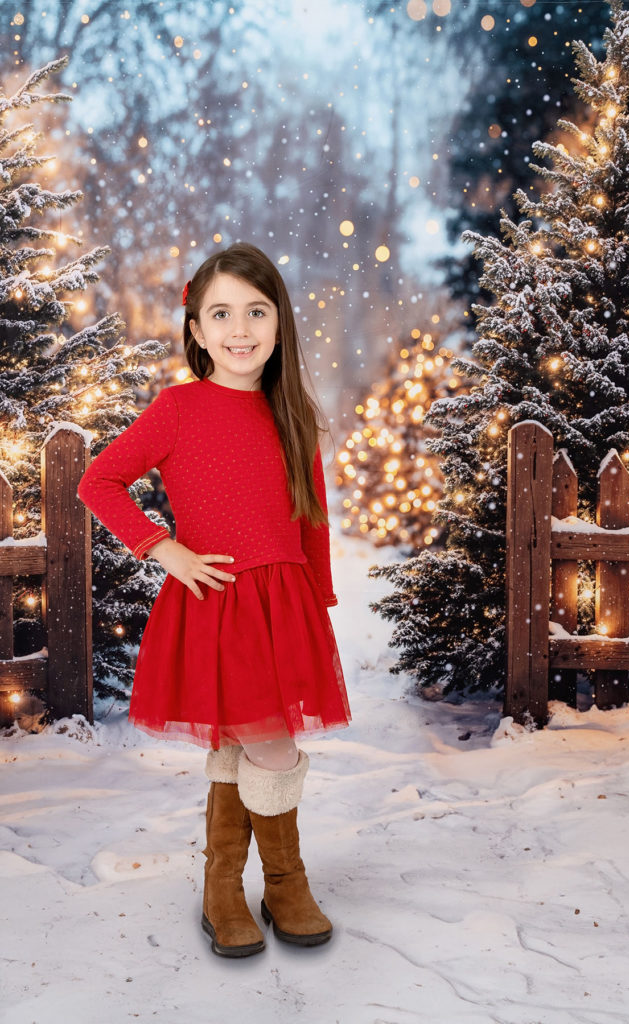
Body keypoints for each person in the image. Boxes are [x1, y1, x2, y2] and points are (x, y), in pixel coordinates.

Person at [77, 242, 352, 958]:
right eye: (221, 313)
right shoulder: (177, 409)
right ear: (195, 329)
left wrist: (314, 606)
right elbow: (98, 482)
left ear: (279, 322)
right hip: (216, 602)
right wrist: (161, 546)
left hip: (281, 608)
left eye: (256, 311)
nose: (240, 328)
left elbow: (310, 518)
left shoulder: (290, 413)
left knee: (244, 741)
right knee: (271, 744)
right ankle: (282, 880)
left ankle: (225, 886)